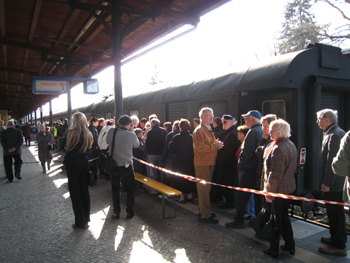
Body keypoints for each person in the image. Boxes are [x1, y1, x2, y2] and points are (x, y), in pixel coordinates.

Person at [261, 119, 297, 259]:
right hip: (288, 188)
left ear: (280, 131)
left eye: (272, 130)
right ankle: (290, 245)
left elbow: (274, 175)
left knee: (276, 220)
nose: (270, 132)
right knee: (284, 218)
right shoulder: (290, 144)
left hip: (278, 190)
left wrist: (270, 193)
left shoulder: (278, 148)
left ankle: (273, 249)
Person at [316, 109, 347, 256]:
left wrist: (327, 183)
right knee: (333, 213)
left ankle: (339, 245)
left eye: (319, 119)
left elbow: (331, 164)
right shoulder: (334, 132)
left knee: (335, 213)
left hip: (334, 185)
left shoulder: (334, 135)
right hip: (336, 183)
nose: (317, 122)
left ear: (326, 119)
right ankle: (335, 237)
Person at [225, 110, 263, 229]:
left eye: (246, 118)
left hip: (249, 170)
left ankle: (239, 220)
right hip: (257, 170)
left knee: (241, 196)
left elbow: (247, 153)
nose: (245, 121)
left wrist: (241, 162)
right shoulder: (261, 131)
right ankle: (257, 221)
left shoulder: (252, 132)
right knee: (257, 197)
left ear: (252, 119)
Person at [193, 107, 223, 223]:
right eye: (209, 115)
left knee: (205, 189)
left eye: (212, 115)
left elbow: (209, 144)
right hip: (202, 163)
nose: (212, 117)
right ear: (202, 117)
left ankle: (204, 210)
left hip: (208, 162)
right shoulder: (199, 130)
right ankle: (205, 215)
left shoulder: (207, 129)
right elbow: (199, 148)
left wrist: (216, 144)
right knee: (204, 189)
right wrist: (216, 146)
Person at [63, 112, 93, 230]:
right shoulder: (88, 133)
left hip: (72, 165)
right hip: (84, 165)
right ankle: (86, 220)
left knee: (75, 193)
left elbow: (66, 147)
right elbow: (88, 148)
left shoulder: (70, 133)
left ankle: (79, 221)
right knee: (84, 192)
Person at [106, 115, 140, 219]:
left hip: (114, 166)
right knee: (130, 189)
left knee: (115, 189)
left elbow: (107, 142)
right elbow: (137, 145)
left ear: (119, 123)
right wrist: (132, 131)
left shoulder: (112, 132)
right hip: (127, 166)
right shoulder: (131, 134)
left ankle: (116, 212)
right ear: (130, 124)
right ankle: (129, 211)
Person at [216, 115, 240, 209]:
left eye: (225, 122)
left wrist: (220, 162)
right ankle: (229, 202)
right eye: (223, 121)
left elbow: (228, 152)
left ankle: (231, 203)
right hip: (225, 164)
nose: (223, 123)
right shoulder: (228, 133)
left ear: (232, 122)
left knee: (228, 184)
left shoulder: (232, 134)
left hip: (228, 165)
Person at [168, 119, 195, 203]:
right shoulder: (192, 137)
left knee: (179, 179)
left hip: (178, 162)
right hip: (189, 161)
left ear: (180, 128)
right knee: (189, 178)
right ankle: (190, 196)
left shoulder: (176, 137)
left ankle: (182, 197)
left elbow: (171, 149)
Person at [255, 114, 277, 215]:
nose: (263, 129)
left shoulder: (270, 140)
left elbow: (259, 152)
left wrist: (262, 140)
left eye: (265, 126)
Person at [236, 125, 255, 219]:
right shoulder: (240, 144)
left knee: (249, 194)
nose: (238, 135)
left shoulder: (246, 145)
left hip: (243, 170)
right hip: (240, 170)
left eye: (240, 134)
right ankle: (246, 210)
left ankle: (252, 212)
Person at [145, 118, 167, 186]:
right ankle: (162, 187)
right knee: (162, 171)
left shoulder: (150, 132)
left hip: (152, 154)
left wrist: (146, 151)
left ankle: (153, 188)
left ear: (153, 124)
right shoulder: (164, 131)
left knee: (153, 172)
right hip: (161, 154)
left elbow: (148, 144)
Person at [161, 120, 180, 185]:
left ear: (175, 126)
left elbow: (166, 147)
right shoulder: (184, 135)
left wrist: (162, 159)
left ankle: (168, 191)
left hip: (170, 158)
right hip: (180, 159)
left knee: (168, 175)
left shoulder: (170, 135)